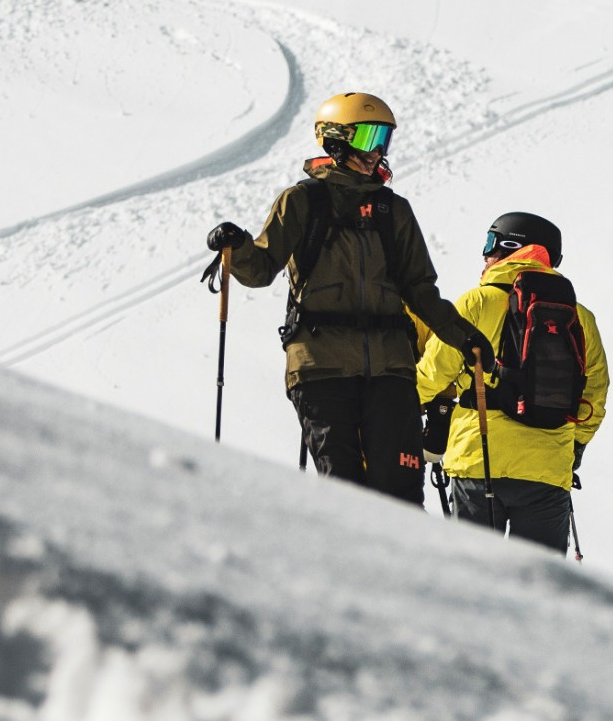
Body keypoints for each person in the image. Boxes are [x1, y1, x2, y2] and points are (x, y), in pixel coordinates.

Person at [208, 92, 492, 505]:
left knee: (399, 491)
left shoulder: (393, 210)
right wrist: (237, 249)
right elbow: (261, 268)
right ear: (336, 139)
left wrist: (466, 339)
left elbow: (421, 291)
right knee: (343, 488)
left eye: (384, 140)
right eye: (367, 137)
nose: (376, 151)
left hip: (391, 370)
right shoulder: (302, 201)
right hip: (321, 367)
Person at [412, 211, 608, 553]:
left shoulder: (477, 303)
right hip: (547, 470)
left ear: (511, 247)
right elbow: (595, 394)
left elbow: (432, 373)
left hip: (477, 461)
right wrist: (572, 447)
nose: (484, 256)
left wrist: (394, 405)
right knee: (537, 586)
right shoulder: (580, 318)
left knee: (472, 578)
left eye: (490, 244)